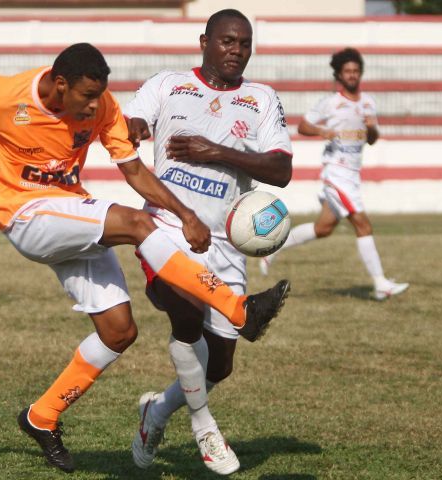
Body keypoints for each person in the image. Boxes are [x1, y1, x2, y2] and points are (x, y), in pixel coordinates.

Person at [0, 42, 289, 474]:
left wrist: (186, 214)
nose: (96, 105)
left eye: (100, 95)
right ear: (60, 85)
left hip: (68, 210)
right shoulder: (5, 94)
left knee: (119, 332)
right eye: (86, 96)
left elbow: (134, 171)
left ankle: (41, 416)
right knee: (136, 225)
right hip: (23, 212)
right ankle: (237, 309)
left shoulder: (103, 106)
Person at [123, 9, 292, 475]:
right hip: (167, 229)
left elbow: (281, 170)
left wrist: (214, 151)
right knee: (184, 310)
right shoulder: (168, 84)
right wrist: (136, 127)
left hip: (227, 243)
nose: (236, 51)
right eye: (227, 42)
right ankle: (203, 426)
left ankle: (154, 414)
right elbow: (133, 119)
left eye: (244, 44)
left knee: (219, 366)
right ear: (204, 41)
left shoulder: (261, 99)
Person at [259, 47, 409, 301]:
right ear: (339, 75)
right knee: (363, 225)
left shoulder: (368, 102)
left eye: (355, 71)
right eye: (347, 71)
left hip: (352, 174)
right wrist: (322, 131)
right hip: (336, 173)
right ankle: (381, 283)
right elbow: (303, 125)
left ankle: (273, 248)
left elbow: (371, 139)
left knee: (324, 227)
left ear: (360, 73)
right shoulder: (330, 103)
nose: (352, 75)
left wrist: (371, 128)